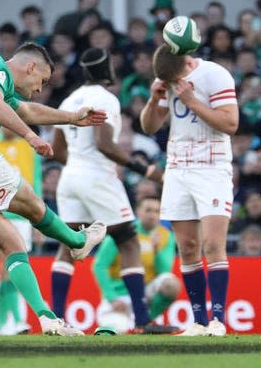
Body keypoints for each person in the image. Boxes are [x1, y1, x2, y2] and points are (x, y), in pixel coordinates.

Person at [0, 42, 108, 336]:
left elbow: (27, 110)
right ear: (31, 67)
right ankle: (77, 242)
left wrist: (72, 117)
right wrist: (30, 137)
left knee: (13, 245)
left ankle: (47, 318)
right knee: (34, 205)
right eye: (43, 81)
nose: (40, 88)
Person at [49, 48, 176, 334]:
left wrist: (79, 168)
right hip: (96, 175)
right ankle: (143, 320)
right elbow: (104, 144)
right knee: (129, 242)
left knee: (68, 247)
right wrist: (147, 170)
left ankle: (55, 321)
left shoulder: (69, 100)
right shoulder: (105, 99)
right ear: (107, 72)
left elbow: (57, 150)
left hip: (70, 177)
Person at [140, 43, 239, 336]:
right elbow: (149, 127)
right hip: (177, 169)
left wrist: (192, 101)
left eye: (170, 82)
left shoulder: (215, 75)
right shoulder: (165, 81)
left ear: (185, 66)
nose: (168, 86)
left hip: (212, 168)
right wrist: (153, 100)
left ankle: (218, 320)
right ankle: (198, 321)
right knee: (187, 248)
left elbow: (231, 123)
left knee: (212, 244)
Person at [92, 196, 180, 330]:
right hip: (120, 295)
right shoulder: (123, 233)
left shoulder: (166, 236)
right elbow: (99, 266)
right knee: (116, 329)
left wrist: (156, 251)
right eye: (148, 210)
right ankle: (128, 322)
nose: (152, 215)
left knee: (171, 284)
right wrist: (112, 297)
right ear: (138, 212)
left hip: (145, 294)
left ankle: (146, 322)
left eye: (157, 211)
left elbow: (164, 272)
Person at [0, 127, 43, 335]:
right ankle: (17, 320)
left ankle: (2, 322)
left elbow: (36, 184)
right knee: (8, 268)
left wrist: (38, 218)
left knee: (8, 269)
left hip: (23, 216)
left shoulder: (29, 148)